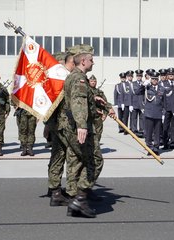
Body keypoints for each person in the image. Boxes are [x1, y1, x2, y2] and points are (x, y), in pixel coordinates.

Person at [62, 44, 111, 218]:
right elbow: (78, 101)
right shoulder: (80, 79)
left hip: (71, 125)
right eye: (91, 59)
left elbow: (81, 98)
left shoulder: (74, 77)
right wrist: (82, 125)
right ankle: (80, 199)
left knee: (76, 161)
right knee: (95, 161)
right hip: (80, 127)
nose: (93, 62)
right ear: (83, 60)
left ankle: (74, 199)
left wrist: (94, 97)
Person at [47, 50, 75, 206]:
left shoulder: (53, 82)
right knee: (70, 157)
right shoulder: (61, 81)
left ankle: (54, 190)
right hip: (64, 126)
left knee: (57, 157)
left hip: (55, 125)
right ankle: (66, 192)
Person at [141, 71, 165, 156]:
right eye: (153, 79)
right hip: (149, 113)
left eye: (156, 79)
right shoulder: (147, 87)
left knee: (157, 132)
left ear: (158, 79)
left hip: (158, 113)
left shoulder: (162, 88)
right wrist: (143, 85)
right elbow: (137, 92)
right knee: (149, 132)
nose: (154, 81)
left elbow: (164, 102)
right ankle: (149, 148)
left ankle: (156, 148)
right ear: (151, 79)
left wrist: (164, 113)